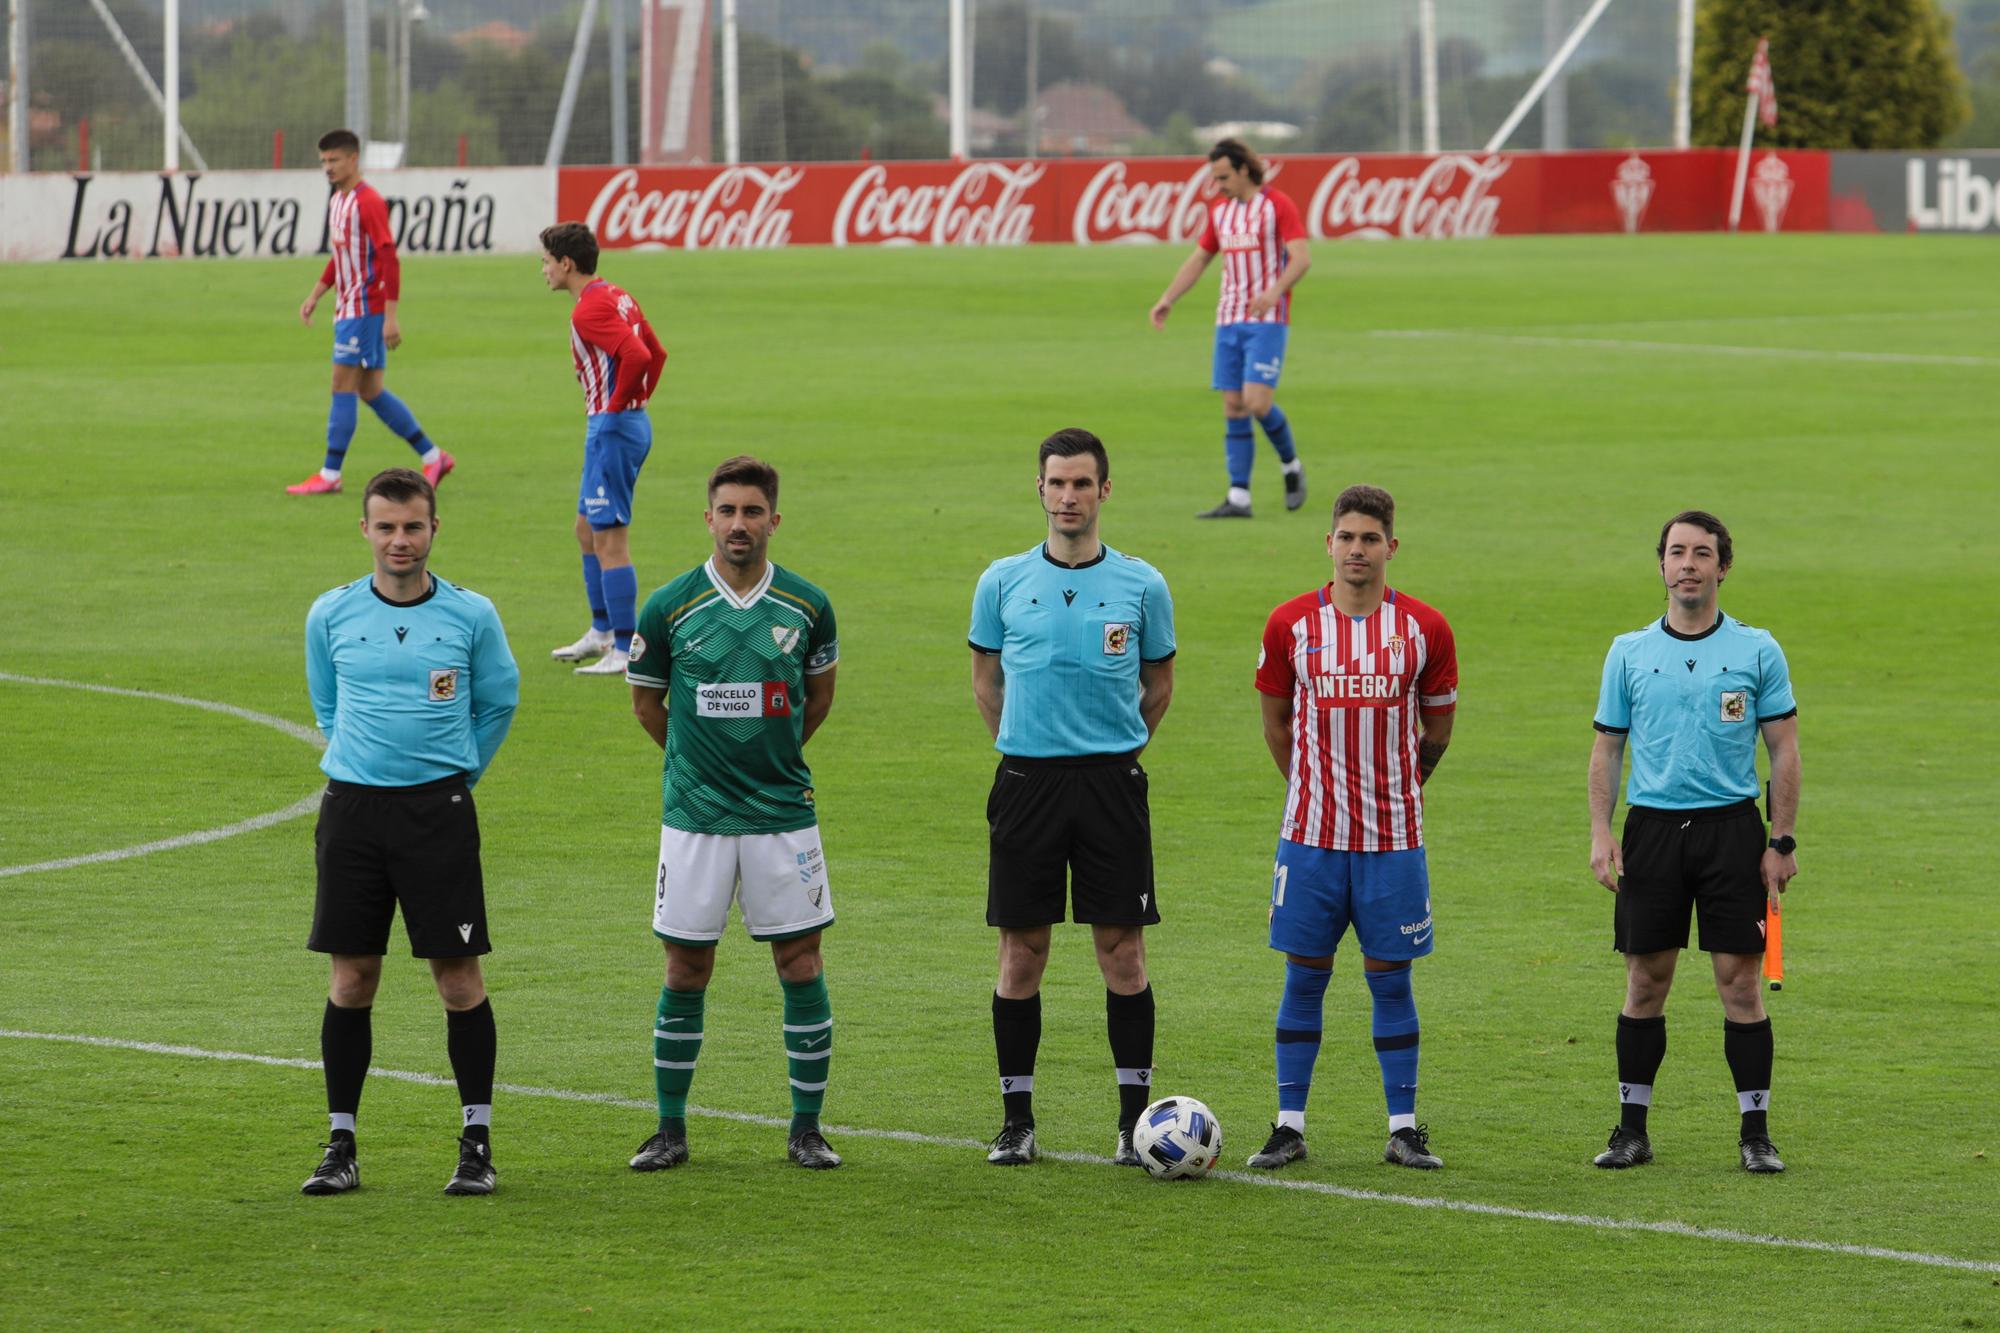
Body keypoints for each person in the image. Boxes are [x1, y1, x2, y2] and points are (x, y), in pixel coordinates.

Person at [299, 467, 520, 1196]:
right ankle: (340, 1144)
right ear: (364, 529)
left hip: (438, 815)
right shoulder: (330, 614)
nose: (400, 539)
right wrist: (365, 764)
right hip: (353, 814)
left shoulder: (471, 614)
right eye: (386, 526)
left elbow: (498, 701)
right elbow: (328, 705)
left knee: (458, 980)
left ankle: (477, 1143)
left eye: (413, 526)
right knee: (352, 978)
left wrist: (458, 775)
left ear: (433, 529)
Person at [624, 455, 842, 1172]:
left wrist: (768, 760)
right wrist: (698, 762)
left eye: (753, 511)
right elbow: (648, 703)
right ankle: (669, 1129)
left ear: (774, 519)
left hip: (783, 813)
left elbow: (818, 698)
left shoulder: (808, 606)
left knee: (800, 961)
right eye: (728, 511)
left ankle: (806, 1129)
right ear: (708, 517)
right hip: (694, 816)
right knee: (686, 967)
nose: (740, 524)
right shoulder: (668, 607)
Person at [969, 428, 1176, 1167]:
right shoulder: (1001, 581)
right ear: (1040, 489)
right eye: (1056, 483)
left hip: (1111, 784)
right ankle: (1017, 1120)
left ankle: (1133, 1125)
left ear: (1104, 491)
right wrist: (1029, 745)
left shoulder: (1142, 584)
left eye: (1082, 484)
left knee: (1122, 951)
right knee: (1021, 952)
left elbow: (1159, 687)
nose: (1068, 497)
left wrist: (1112, 749)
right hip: (1026, 782)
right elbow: (986, 682)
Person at [1247, 484, 1457, 1172]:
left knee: (1390, 978)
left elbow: (1438, 727)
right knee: (1303, 975)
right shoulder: (1289, 625)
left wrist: (1396, 787)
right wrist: (1314, 789)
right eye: (1347, 537)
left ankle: (1403, 1128)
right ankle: (1288, 1124)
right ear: (1329, 543)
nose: (1358, 549)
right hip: (1309, 838)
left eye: (1371, 538)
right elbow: (1277, 721)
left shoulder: (1424, 628)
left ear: (1391, 547)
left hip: (1392, 842)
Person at [1588, 510, 1800, 1174]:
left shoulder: (1756, 649)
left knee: (1740, 983)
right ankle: (1631, 1130)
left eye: (1701, 553)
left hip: (1732, 831)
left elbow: (1783, 748)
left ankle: (1756, 1132)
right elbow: (1607, 747)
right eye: (1677, 551)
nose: (1688, 563)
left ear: (1722, 566)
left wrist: (1782, 840)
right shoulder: (1628, 651)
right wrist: (1601, 832)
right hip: (1651, 831)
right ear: (1661, 565)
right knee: (1645, 979)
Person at [1149, 137, 1312, 520]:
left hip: (1266, 322)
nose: (1218, 184)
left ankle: (1291, 466)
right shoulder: (1220, 211)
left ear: (1243, 169)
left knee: (1257, 402)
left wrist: (1274, 292)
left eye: (1223, 176)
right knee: (1233, 406)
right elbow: (1200, 259)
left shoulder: (1277, 205)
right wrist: (1168, 297)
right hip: (1228, 320)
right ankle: (1239, 496)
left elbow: (1302, 259)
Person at [290, 130, 453, 496]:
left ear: (353, 159)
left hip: (364, 310)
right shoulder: (338, 200)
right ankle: (434, 455)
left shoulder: (369, 202)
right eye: (323, 162)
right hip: (348, 307)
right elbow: (342, 255)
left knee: (341, 385)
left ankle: (330, 474)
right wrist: (316, 294)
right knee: (370, 389)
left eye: (334, 160)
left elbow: (388, 256)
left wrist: (391, 316)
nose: (327, 168)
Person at [540, 221, 669, 677]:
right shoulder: (618, 294)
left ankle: (623, 647)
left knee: (611, 540)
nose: (544, 270)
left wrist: (615, 412)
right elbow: (659, 352)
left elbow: (638, 356)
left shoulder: (587, 311)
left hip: (612, 429)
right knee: (585, 528)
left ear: (566, 263)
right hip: (623, 424)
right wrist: (636, 404)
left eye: (546, 261)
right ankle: (600, 631)